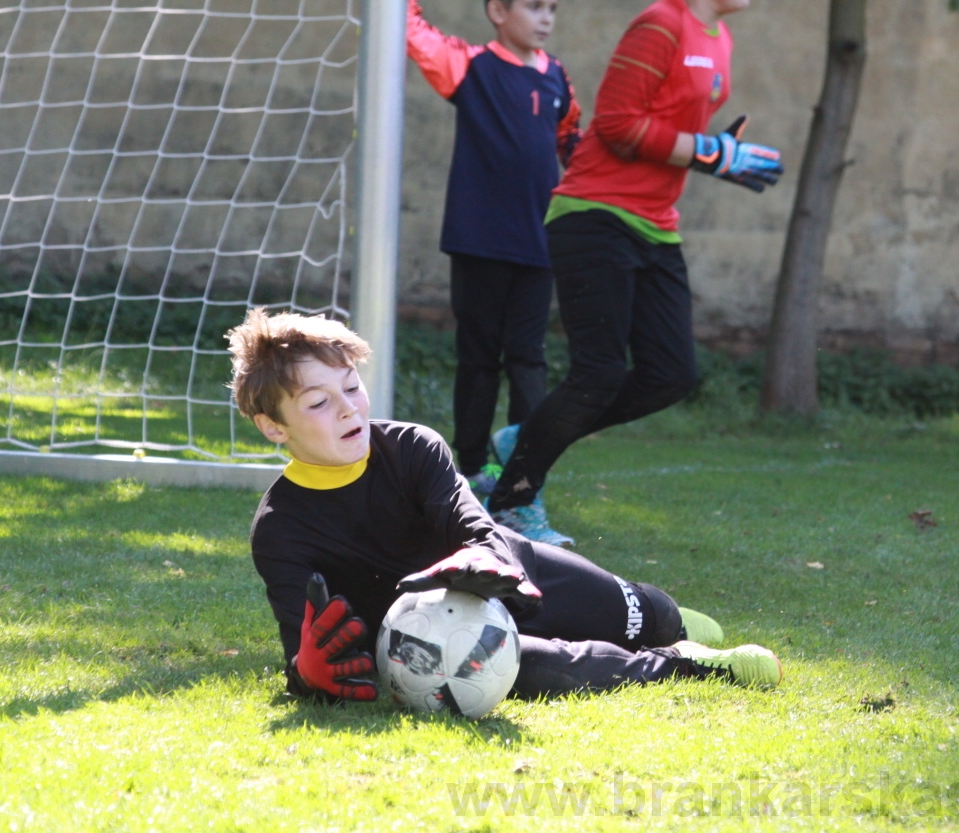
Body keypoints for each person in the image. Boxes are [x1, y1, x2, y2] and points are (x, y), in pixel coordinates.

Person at [227, 308, 781, 702]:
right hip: (431, 637)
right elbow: (303, 649)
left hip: (513, 573)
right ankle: (685, 665)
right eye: (320, 402)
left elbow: (476, 526)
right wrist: (309, 677)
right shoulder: (280, 531)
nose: (349, 409)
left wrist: (487, 559)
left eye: (352, 387)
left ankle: (669, 625)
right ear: (274, 426)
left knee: (651, 616)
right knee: (536, 666)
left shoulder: (412, 447)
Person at [485, 0, 783, 544]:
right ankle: (511, 501)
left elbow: (670, 129)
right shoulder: (659, 24)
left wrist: (716, 154)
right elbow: (619, 126)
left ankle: (527, 437)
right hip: (594, 214)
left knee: (671, 374)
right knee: (597, 373)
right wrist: (706, 151)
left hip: (655, 223)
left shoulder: (719, 37)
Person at [406, 0, 581, 516]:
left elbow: (575, 146)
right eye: (534, 7)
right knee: (479, 357)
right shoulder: (469, 64)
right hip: (478, 240)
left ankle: (525, 472)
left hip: (538, 242)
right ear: (497, 11)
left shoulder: (558, 81)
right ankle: (473, 466)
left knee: (529, 358)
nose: (546, 17)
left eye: (553, 8)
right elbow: (410, 27)